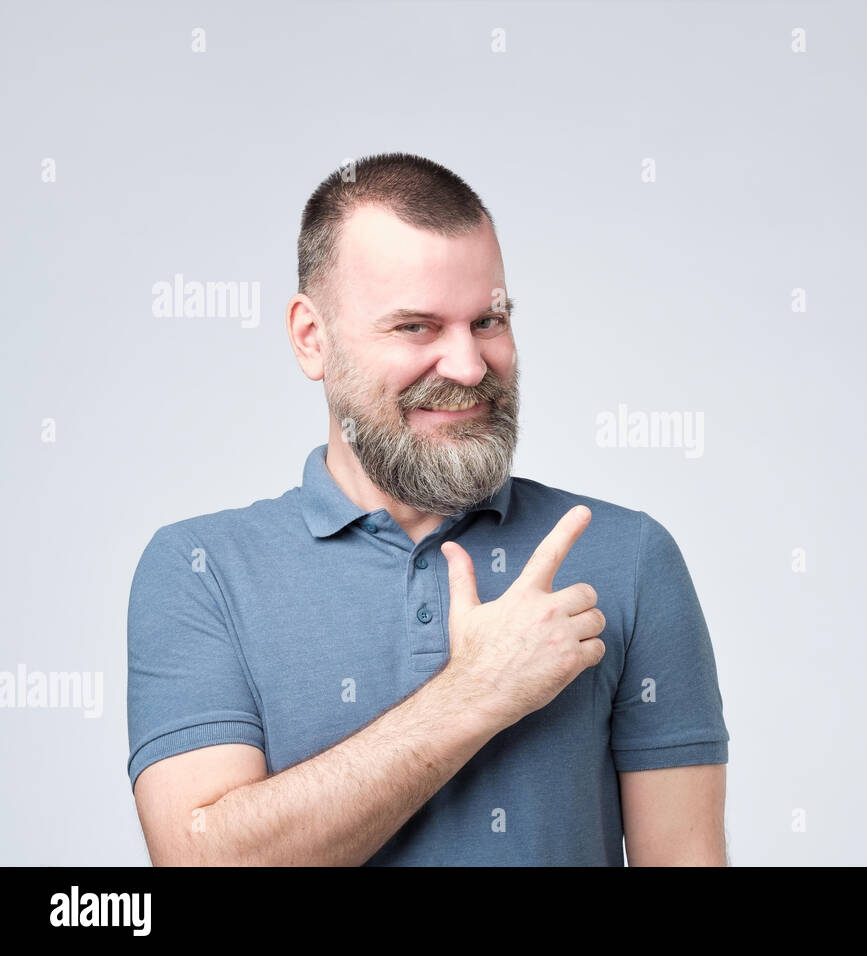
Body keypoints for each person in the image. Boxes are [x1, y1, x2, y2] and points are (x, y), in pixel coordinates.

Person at [126, 153, 729, 866]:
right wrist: (475, 693)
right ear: (311, 339)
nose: (469, 366)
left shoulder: (626, 557)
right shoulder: (200, 571)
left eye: (488, 320)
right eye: (416, 327)